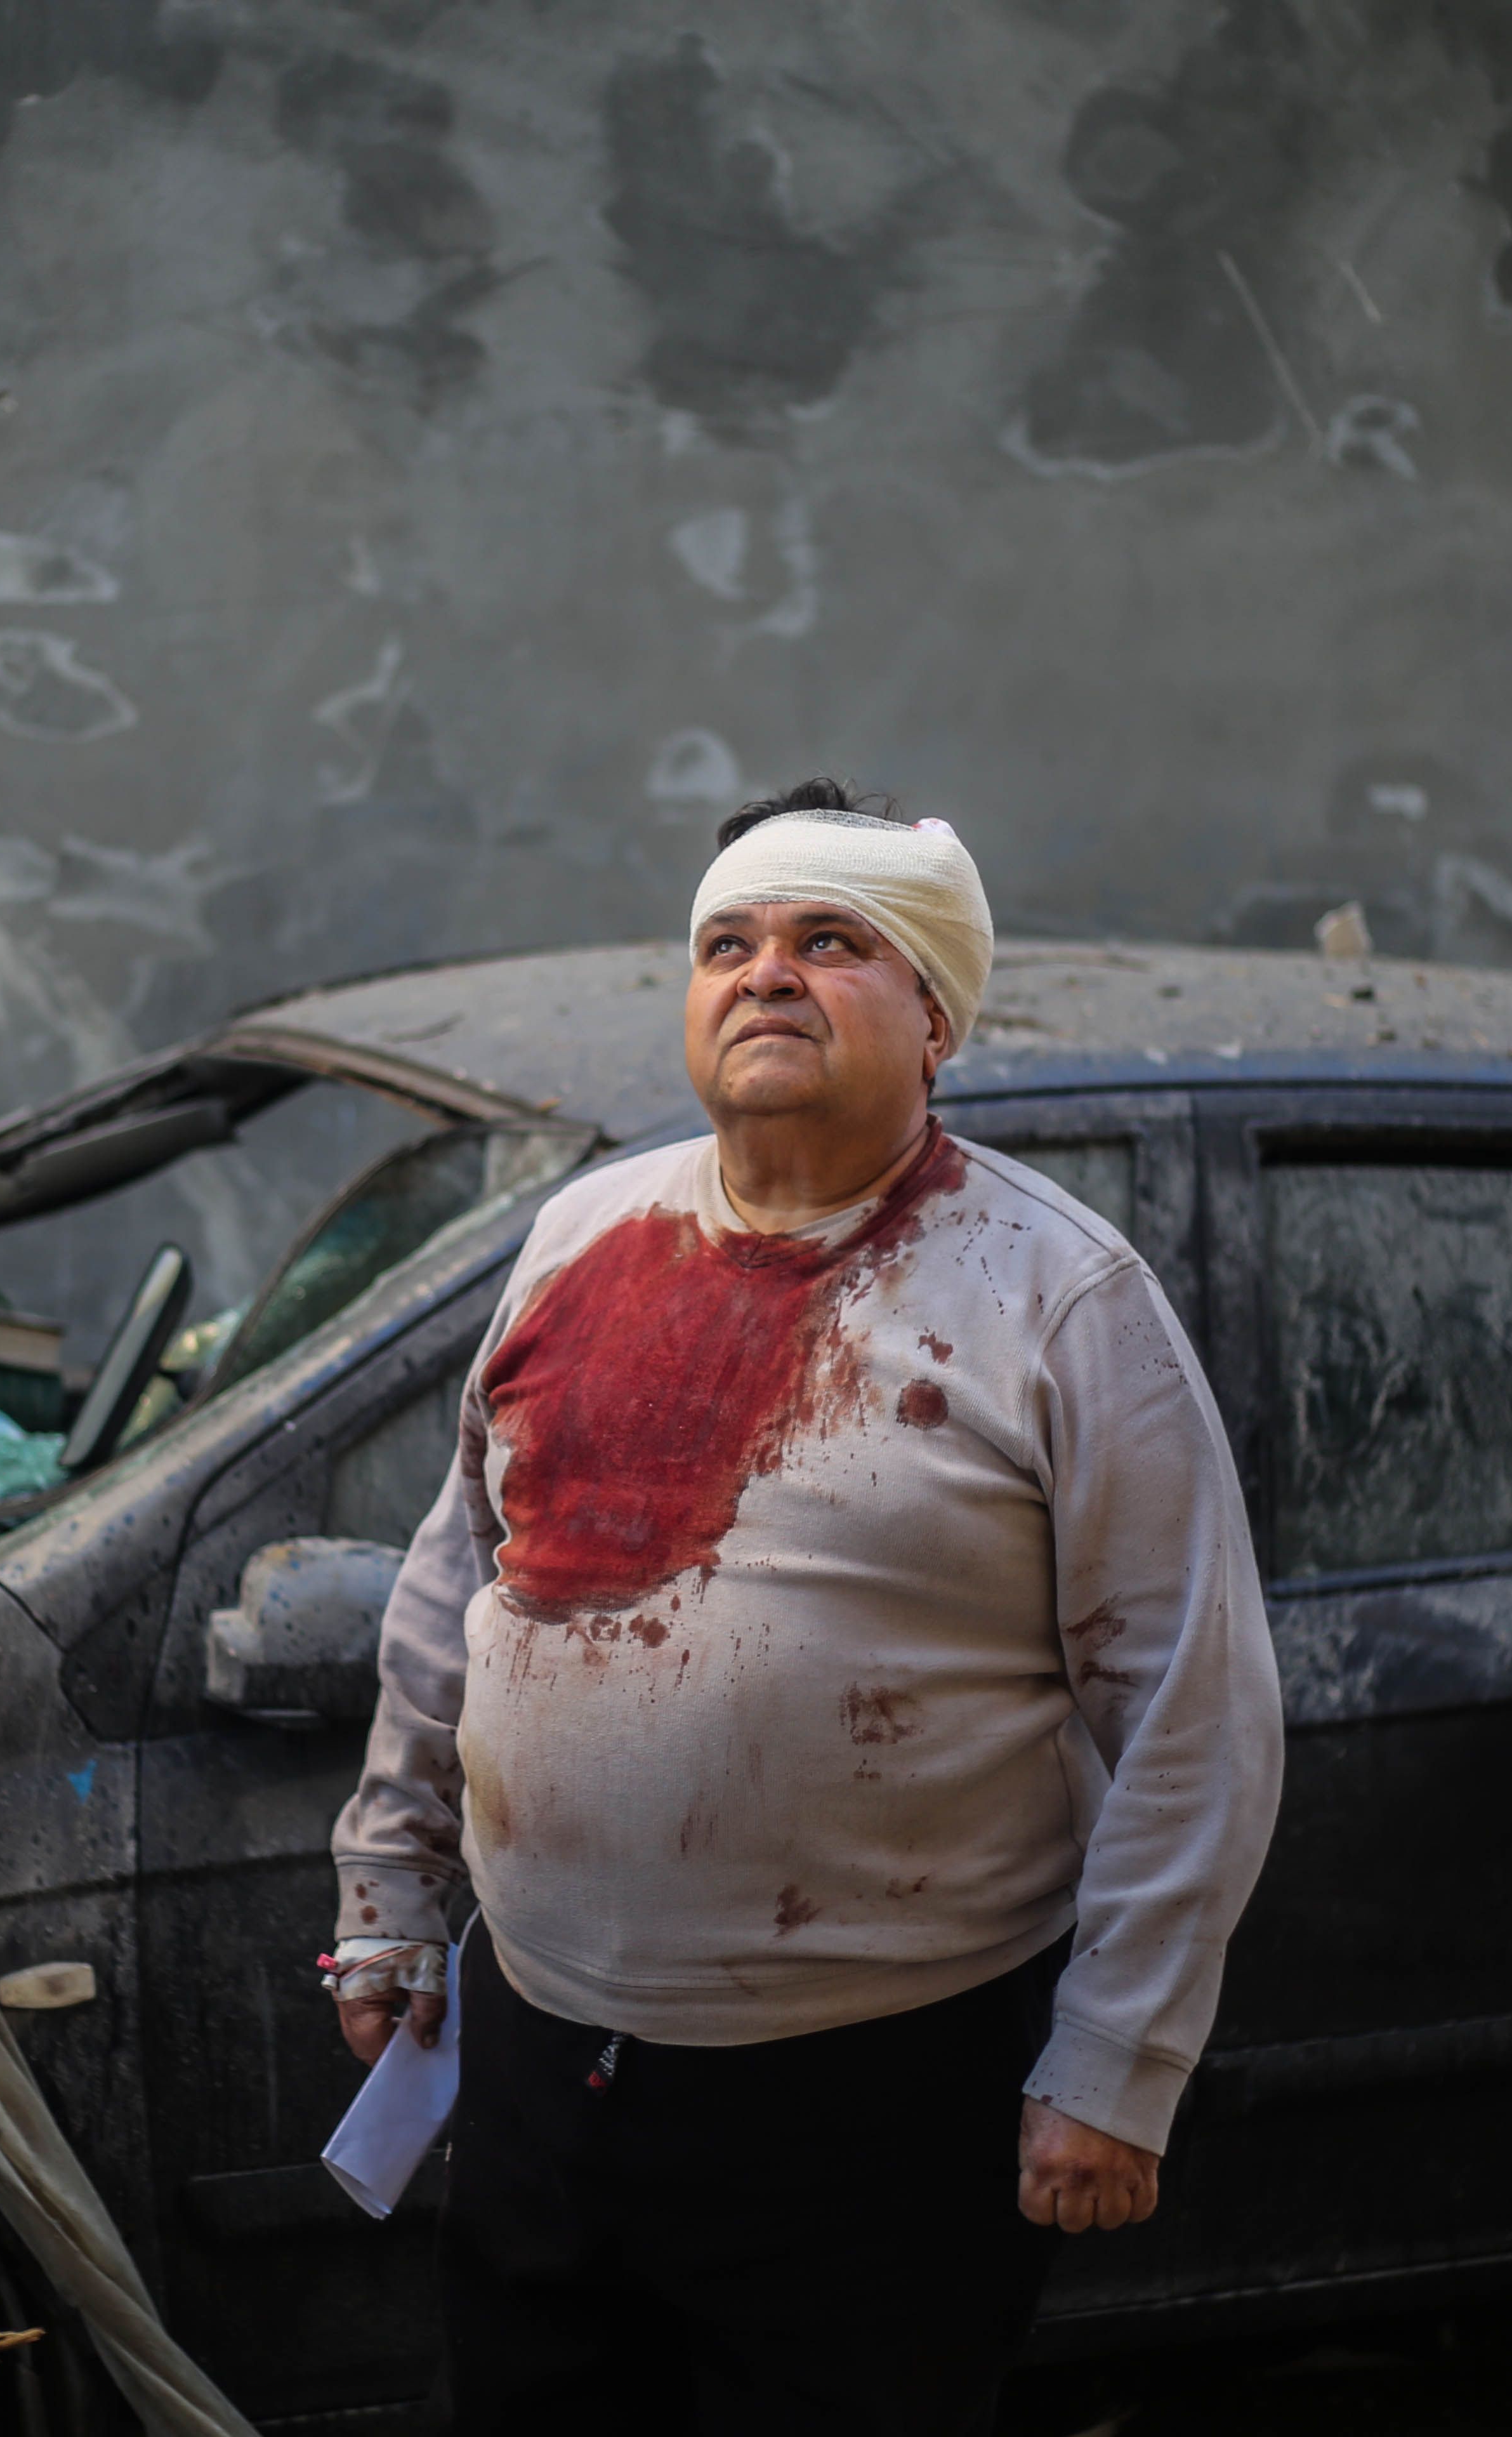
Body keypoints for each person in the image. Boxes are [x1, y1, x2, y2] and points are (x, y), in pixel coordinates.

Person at [322, 779, 1284, 2435]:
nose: (766, 973)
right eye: (729, 943)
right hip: (547, 2065)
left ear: (935, 1021)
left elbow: (1195, 1712)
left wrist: (1117, 2067)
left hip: (879, 2105)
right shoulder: (576, 1238)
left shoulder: (1055, 1299)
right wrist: (390, 1884)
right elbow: (456, 1588)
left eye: (831, 940)